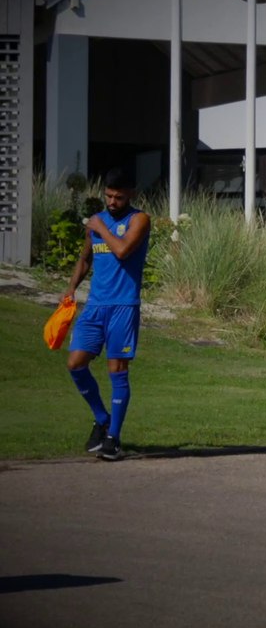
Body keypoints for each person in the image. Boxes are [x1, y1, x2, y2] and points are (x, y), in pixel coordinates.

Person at [64, 169, 151, 461]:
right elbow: (85, 258)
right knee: (75, 363)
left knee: (117, 370)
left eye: (119, 197)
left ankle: (113, 437)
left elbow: (123, 250)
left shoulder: (139, 219)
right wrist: (71, 288)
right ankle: (102, 419)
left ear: (131, 195)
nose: (112, 202)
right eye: (109, 196)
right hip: (95, 306)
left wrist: (100, 227)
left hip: (123, 306)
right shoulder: (97, 221)